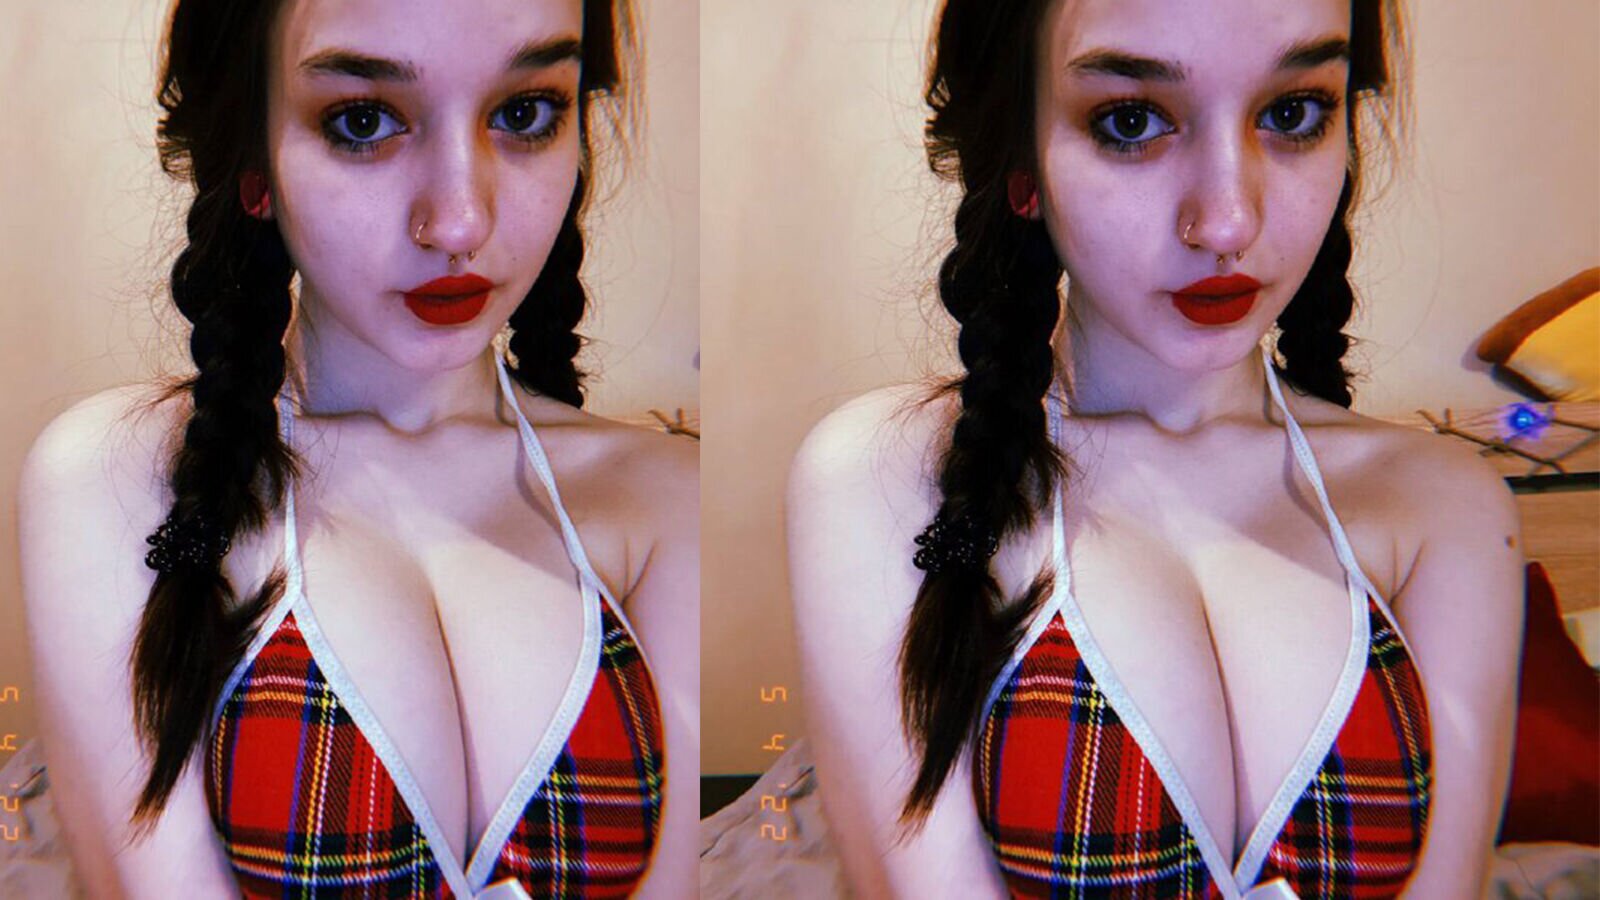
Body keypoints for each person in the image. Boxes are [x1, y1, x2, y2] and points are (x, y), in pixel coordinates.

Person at [788, 0, 1522, 897]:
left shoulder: (1445, 502)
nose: (1228, 223)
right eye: (1130, 121)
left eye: (1293, 112)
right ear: (1021, 163)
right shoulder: (890, 477)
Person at [18, 0, 697, 896]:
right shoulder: (122, 481)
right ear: (254, 165)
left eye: (525, 111)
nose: (459, 223)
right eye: (363, 121)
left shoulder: (665, 494)